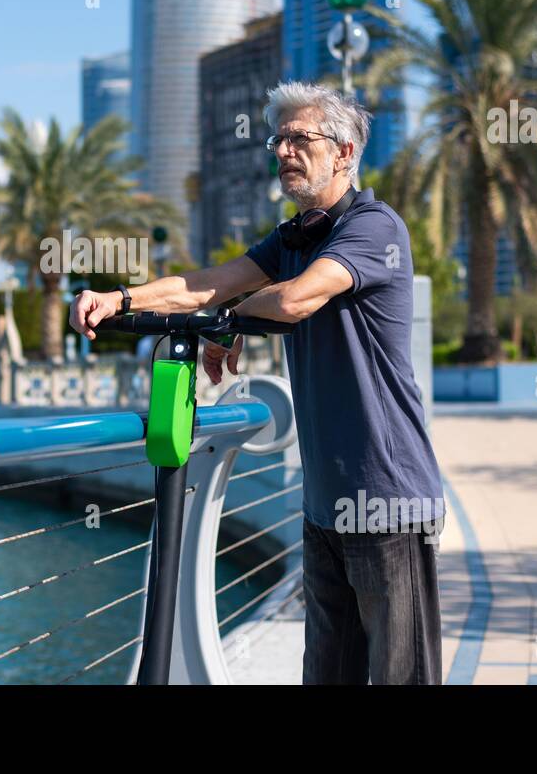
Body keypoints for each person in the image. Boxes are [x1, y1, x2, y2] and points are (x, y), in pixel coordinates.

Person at [69, 81, 444, 685]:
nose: (284, 151)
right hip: (326, 505)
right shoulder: (294, 236)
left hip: (389, 499)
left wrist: (232, 319)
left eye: (302, 138)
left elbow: (295, 300)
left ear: (345, 152)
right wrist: (118, 298)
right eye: (278, 139)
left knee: (403, 678)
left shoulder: (375, 228)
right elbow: (209, 283)